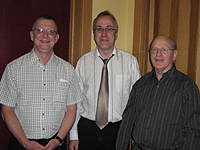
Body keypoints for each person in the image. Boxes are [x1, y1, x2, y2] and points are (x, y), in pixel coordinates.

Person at [0, 15, 82, 150]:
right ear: (32, 35)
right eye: (40, 30)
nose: (45, 35)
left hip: (56, 143)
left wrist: (59, 139)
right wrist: (25, 142)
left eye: (51, 32)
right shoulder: (13, 69)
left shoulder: (68, 70)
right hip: (21, 144)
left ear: (56, 38)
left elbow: (71, 109)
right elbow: (6, 110)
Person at [69, 10, 141, 150]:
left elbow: (137, 101)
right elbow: (75, 101)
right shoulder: (83, 62)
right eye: (99, 29)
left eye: (109, 29)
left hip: (119, 130)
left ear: (116, 34)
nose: (104, 33)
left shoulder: (130, 62)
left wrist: (134, 134)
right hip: (87, 129)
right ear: (94, 34)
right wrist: (73, 135)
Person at [116, 35, 200, 150]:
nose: (158, 54)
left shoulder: (186, 86)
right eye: (154, 49)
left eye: (164, 49)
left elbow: (193, 130)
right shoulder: (140, 84)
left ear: (174, 55)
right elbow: (127, 122)